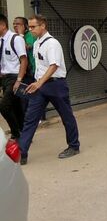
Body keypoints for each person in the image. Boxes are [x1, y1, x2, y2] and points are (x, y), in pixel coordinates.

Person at [17, 15, 80, 165]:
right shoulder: (37, 42)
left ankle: (73, 146)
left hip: (56, 85)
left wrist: (39, 83)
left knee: (67, 116)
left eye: (33, 27)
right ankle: (22, 152)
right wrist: (37, 83)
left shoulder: (52, 43)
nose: (30, 30)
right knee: (30, 119)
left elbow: (54, 65)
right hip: (40, 85)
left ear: (43, 26)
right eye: (30, 27)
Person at [0, 15, 30, 141]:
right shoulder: (0, 40)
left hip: (14, 77)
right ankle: (25, 132)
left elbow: (24, 60)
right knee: (16, 106)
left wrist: (19, 80)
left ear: (2, 25)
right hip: (4, 78)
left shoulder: (16, 39)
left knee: (4, 106)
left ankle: (16, 133)